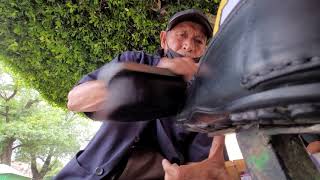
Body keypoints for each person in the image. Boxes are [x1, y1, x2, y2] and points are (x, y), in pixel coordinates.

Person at [55, 9, 231, 180]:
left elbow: (204, 162)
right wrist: (152, 74)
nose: (188, 45)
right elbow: (75, 100)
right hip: (87, 173)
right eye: (182, 35)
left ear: (204, 51)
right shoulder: (134, 60)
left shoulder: (205, 97)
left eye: (198, 41)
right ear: (163, 39)